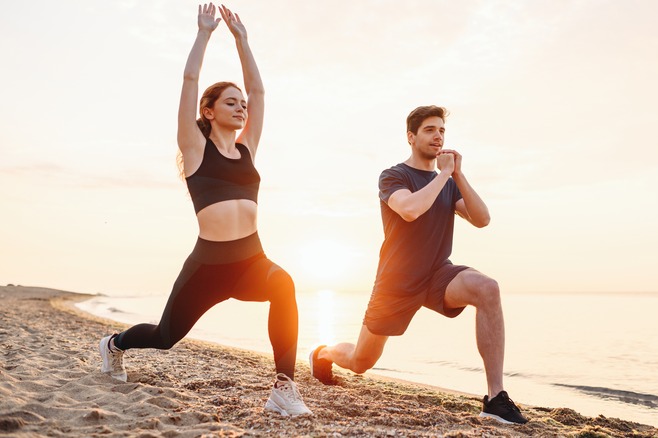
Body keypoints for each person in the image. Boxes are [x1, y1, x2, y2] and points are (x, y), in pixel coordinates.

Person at [98, 3, 311, 417]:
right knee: (164, 336)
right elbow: (190, 78)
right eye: (231, 103)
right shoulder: (195, 151)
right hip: (207, 267)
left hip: (251, 261)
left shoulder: (247, 148)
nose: (242, 107)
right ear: (209, 112)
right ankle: (114, 343)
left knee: (283, 285)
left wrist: (243, 40)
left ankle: (283, 389)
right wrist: (205, 33)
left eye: (242, 104)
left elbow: (260, 92)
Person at [309, 105, 528, 424]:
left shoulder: (450, 182)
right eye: (430, 130)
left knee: (487, 288)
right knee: (361, 361)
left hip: (438, 274)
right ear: (411, 137)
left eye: (442, 131)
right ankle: (323, 352)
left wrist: (458, 175)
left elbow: (482, 219)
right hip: (395, 283)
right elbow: (410, 209)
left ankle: (495, 398)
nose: (438, 136)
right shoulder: (394, 176)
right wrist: (443, 175)